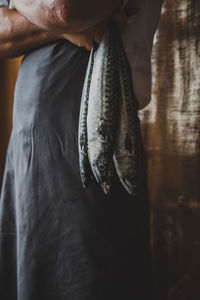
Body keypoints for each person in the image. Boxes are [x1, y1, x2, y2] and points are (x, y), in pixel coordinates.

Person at [0, 0, 163, 299]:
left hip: (103, 138)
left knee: (93, 276)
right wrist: (63, 30)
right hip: (30, 137)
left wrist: (31, 11)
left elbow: (66, 9)